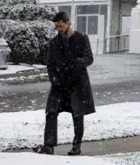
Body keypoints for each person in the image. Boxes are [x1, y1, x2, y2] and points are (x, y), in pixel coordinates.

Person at [34, 11, 95, 156]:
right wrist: (54, 79)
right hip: (59, 85)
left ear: (68, 23)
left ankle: (76, 146)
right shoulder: (53, 43)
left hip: (77, 83)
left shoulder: (81, 38)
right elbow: (50, 65)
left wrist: (79, 62)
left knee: (77, 114)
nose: (59, 29)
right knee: (51, 112)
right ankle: (49, 146)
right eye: (56, 26)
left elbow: (89, 58)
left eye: (61, 26)